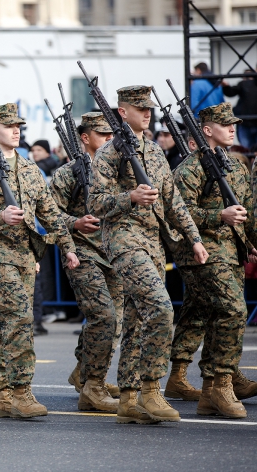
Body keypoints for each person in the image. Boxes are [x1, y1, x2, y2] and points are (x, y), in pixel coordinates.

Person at [88, 85, 208, 424]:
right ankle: (151, 389)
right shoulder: (109, 154)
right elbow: (95, 205)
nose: (148, 112)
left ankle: (128, 400)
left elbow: (172, 201)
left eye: (149, 108)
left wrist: (194, 238)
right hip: (124, 240)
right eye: (139, 108)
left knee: (138, 319)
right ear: (122, 113)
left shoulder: (155, 152)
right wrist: (130, 197)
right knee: (160, 308)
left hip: (154, 242)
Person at [0, 103, 79, 419]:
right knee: (18, 319)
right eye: (8, 126)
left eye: (18, 125)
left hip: (26, 255)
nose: (16, 130)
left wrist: (67, 246)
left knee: (10, 325)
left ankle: (3, 394)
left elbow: (49, 212)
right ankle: (21, 393)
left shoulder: (30, 170)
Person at [167, 103, 257, 417]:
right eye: (225, 124)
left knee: (217, 314)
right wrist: (218, 216)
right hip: (200, 252)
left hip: (231, 252)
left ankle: (210, 390)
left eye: (235, 123)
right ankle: (222, 383)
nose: (233, 128)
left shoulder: (237, 165)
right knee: (233, 310)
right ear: (206, 130)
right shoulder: (190, 168)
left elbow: (247, 212)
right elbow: (178, 214)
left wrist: (252, 243)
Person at [50, 112, 121, 413]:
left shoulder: (117, 170)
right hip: (82, 253)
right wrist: (74, 223)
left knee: (113, 322)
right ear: (84, 137)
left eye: (110, 134)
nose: (108, 139)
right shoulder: (66, 174)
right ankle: (92, 386)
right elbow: (50, 214)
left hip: (113, 252)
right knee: (103, 317)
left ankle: (86, 372)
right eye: (102, 134)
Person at [222, 70, 257, 150]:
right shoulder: (243, 85)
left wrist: (226, 86)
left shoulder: (243, 84)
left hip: (245, 121)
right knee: (246, 149)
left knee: (246, 149)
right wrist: (226, 86)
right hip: (245, 122)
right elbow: (230, 92)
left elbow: (230, 92)